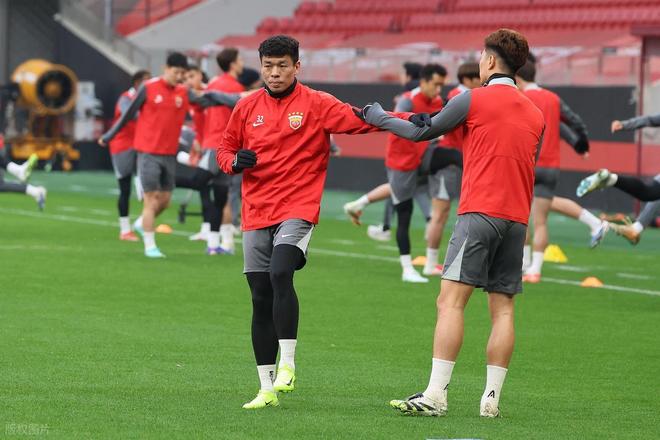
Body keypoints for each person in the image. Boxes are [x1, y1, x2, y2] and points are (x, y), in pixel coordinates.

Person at [216, 35, 414, 410]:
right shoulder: (246, 106)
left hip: (298, 206)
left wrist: (411, 121)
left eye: (282, 66)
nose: (275, 73)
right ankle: (265, 388)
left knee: (280, 272)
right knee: (259, 298)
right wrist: (234, 161)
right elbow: (224, 149)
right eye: (268, 66)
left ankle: (288, 365)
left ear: (297, 67)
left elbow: (363, 119)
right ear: (261, 67)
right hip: (256, 210)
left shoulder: (317, 103)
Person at [358, 29, 545, 417]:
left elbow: (420, 131)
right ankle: (491, 400)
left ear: (489, 61)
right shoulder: (535, 113)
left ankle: (435, 395)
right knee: (503, 311)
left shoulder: (472, 98)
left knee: (450, 303)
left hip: (479, 213)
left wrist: (378, 117)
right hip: (516, 220)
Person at [99, 52, 242, 258]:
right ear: (166, 69)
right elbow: (128, 114)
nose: (180, 77)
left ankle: (141, 224)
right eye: (177, 72)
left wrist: (239, 99)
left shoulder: (183, 92)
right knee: (151, 198)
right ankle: (150, 246)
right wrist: (109, 135)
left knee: (165, 200)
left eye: (183, 73)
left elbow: (209, 99)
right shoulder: (148, 88)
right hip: (148, 153)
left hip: (169, 154)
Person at [345, 64, 449, 282]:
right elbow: (391, 120)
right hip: (401, 163)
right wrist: (412, 122)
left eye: (442, 85)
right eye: (436, 84)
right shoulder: (407, 100)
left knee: (449, 161)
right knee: (404, 213)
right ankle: (407, 268)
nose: (439, 90)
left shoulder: (437, 101)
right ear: (424, 82)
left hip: (421, 159)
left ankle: (360, 206)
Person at [514, 59, 604, 282]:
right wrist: (580, 144)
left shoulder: (520, 97)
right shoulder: (553, 98)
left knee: (520, 216)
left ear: (517, 77)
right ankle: (534, 269)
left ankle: (523, 262)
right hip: (551, 166)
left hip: (528, 163)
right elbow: (572, 122)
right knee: (540, 221)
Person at [422, 62, 481, 276]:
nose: (482, 81)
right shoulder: (459, 96)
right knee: (440, 214)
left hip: (453, 161)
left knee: (443, 213)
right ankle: (430, 263)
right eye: (478, 78)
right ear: (468, 79)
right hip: (446, 162)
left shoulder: (464, 96)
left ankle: (433, 260)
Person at [198, 48, 246, 254]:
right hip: (227, 145)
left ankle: (215, 242)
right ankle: (225, 240)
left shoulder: (213, 84)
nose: (242, 63)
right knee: (226, 193)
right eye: (240, 59)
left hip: (210, 142)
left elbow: (201, 113)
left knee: (212, 190)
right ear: (233, 64)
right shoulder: (235, 87)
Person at [105, 69, 151, 241]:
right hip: (122, 145)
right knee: (125, 188)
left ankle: (143, 222)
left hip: (140, 145)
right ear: (137, 83)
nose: (149, 84)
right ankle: (125, 230)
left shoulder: (148, 99)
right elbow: (130, 115)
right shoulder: (126, 98)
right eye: (146, 81)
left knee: (148, 185)